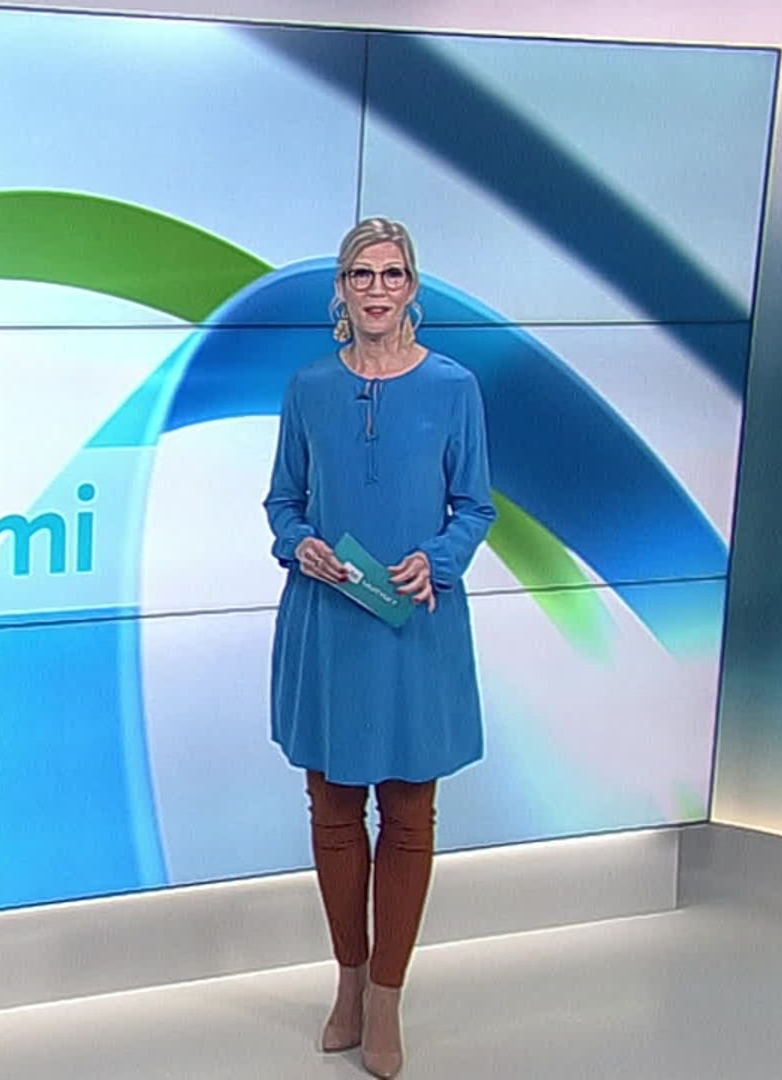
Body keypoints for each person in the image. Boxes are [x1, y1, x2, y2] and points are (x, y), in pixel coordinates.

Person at [263, 217, 496, 1078]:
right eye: (361, 275)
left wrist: (438, 559)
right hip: (329, 625)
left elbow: (475, 505)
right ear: (341, 289)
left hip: (414, 626)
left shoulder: (454, 388)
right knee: (332, 809)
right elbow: (283, 502)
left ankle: (389, 999)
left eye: (391, 274)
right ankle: (350, 983)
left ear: (412, 288)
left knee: (406, 813)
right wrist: (300, 544)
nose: (376, 289)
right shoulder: (309, 387)